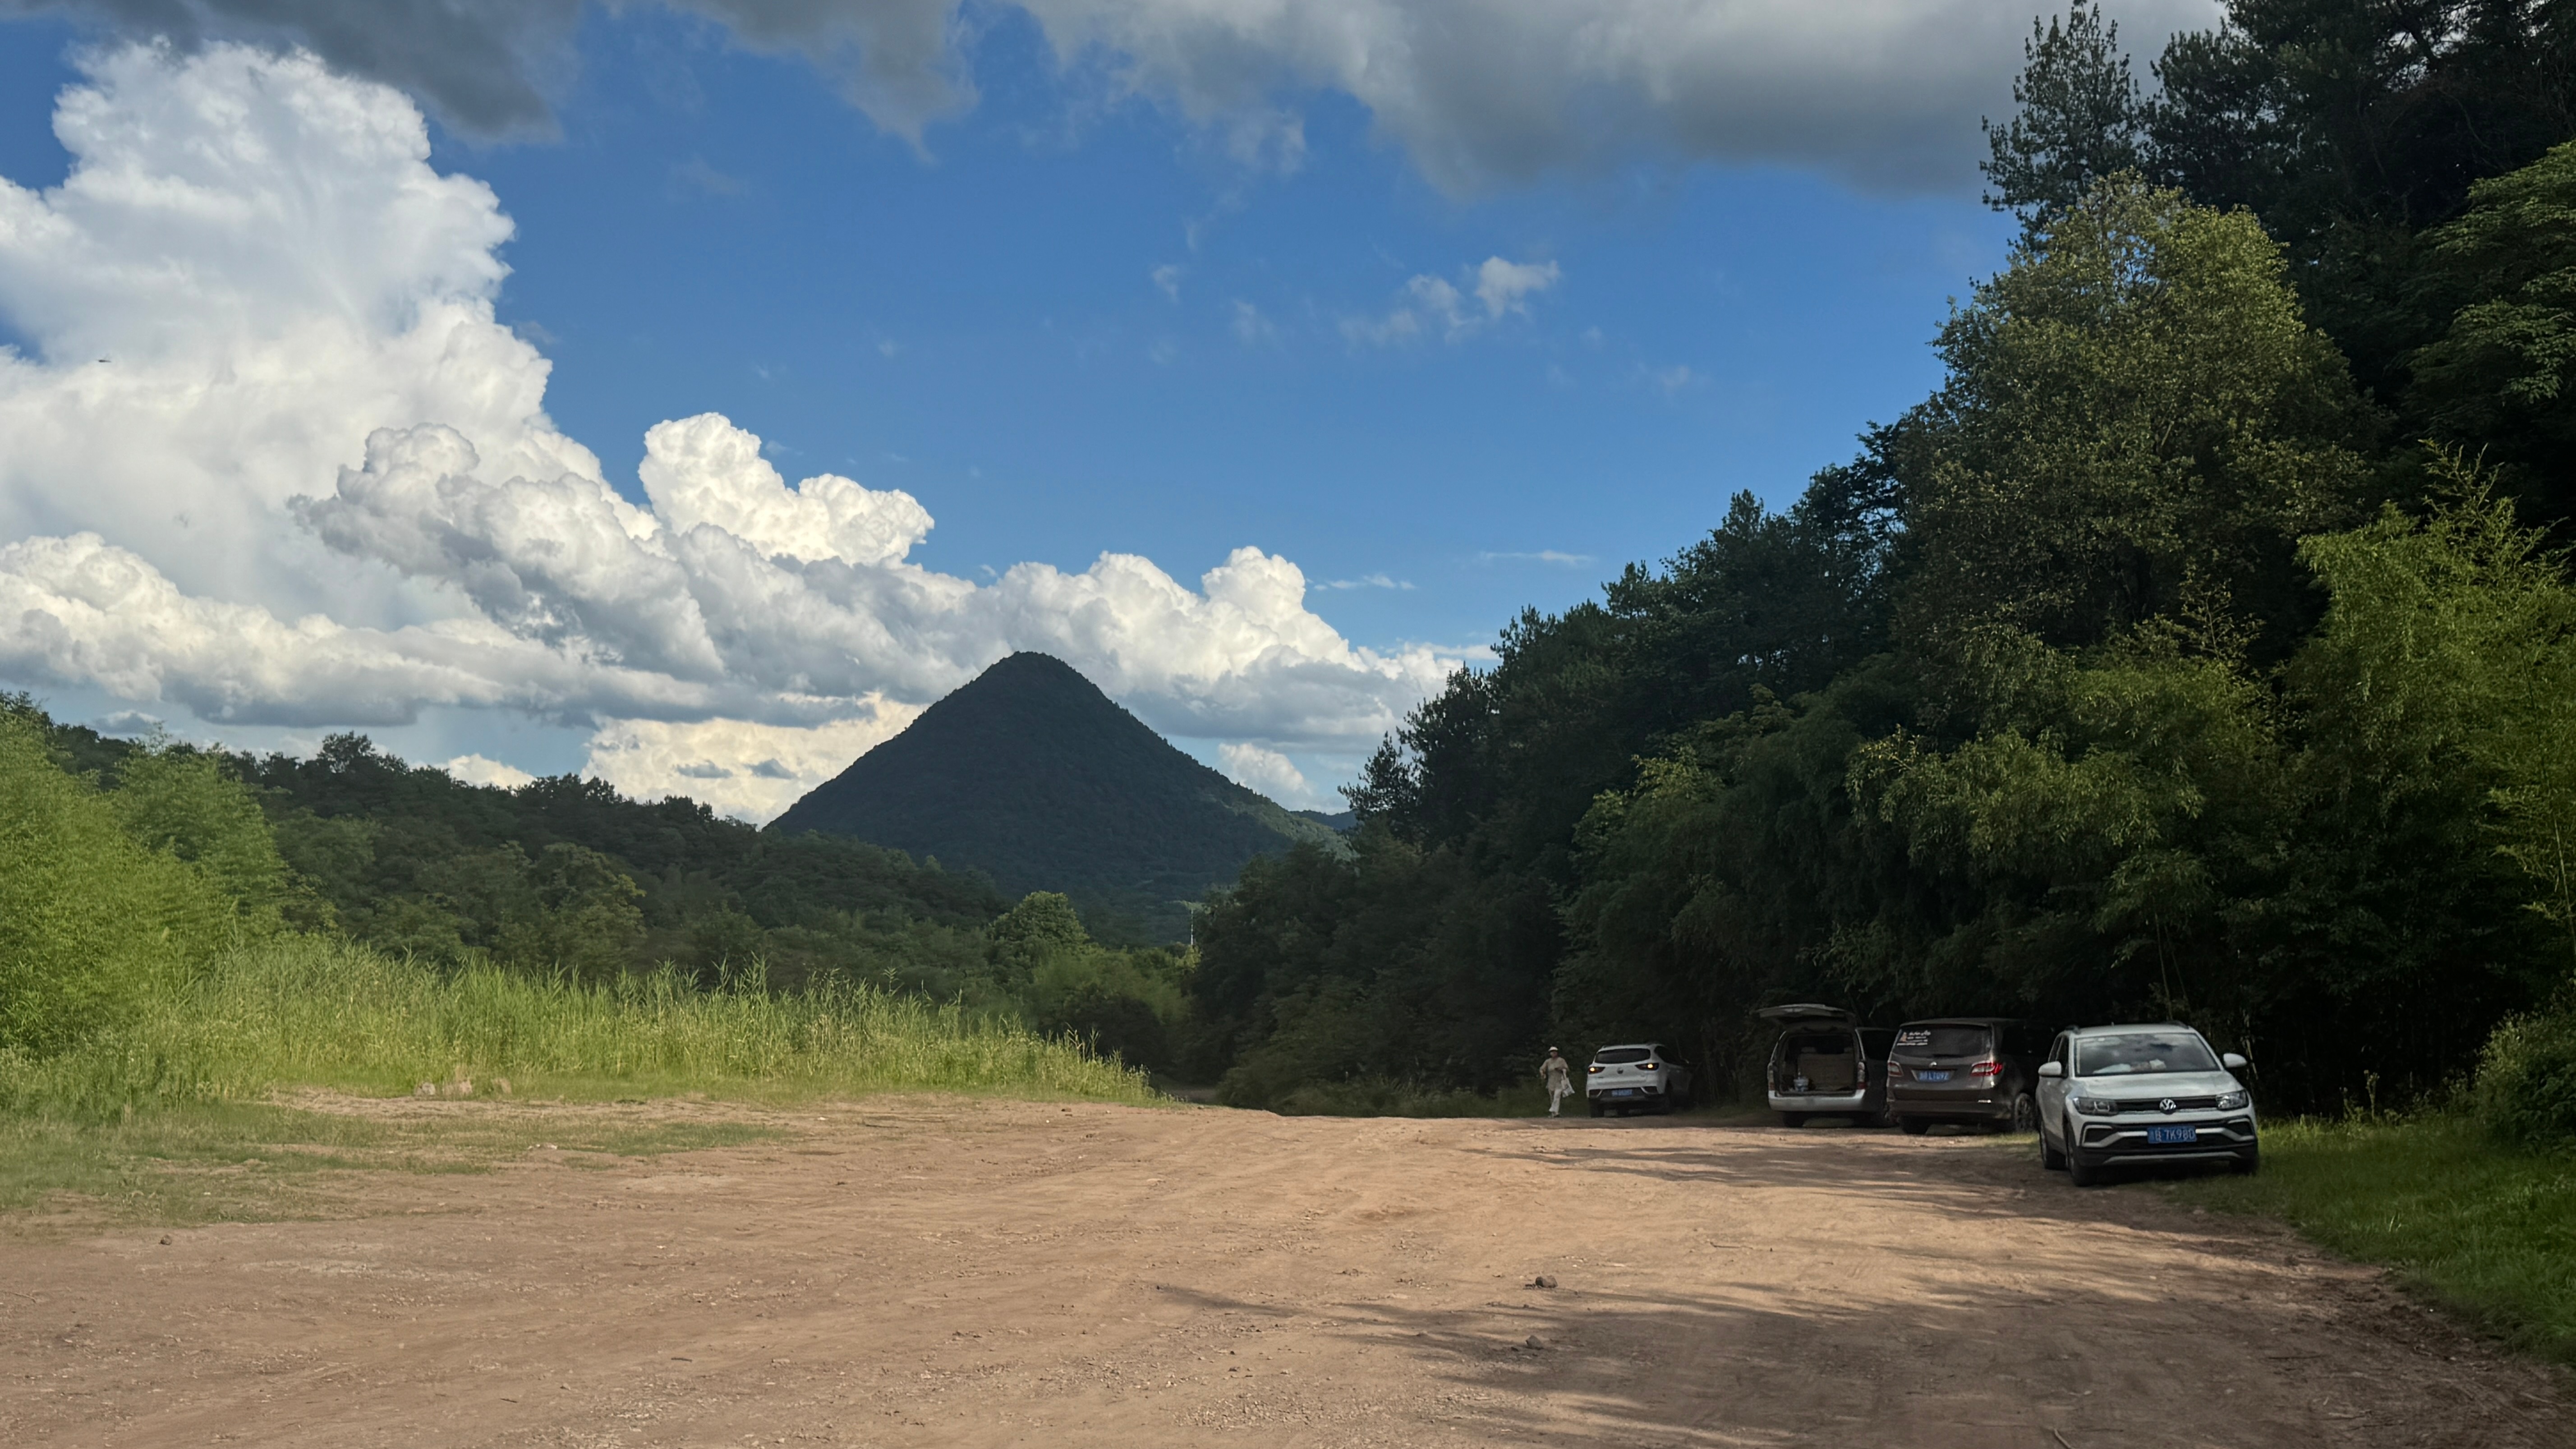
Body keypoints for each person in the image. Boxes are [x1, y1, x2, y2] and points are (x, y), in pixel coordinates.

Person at [1541, 1048, 1574, 1117]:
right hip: (1551, 1082)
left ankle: (1555, 1111)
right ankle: (1554, 1113)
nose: (1554, 1053)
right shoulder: (1548, 1061)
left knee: (1557, 1096)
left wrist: (1561, 1069)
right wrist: (1543, 1074)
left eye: (1555, 1052)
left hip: (1560, 1081)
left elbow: (1567, 1069)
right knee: (1552, 1097)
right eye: (1552, 1052)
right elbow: (1542, 1069)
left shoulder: (1561, 1060)